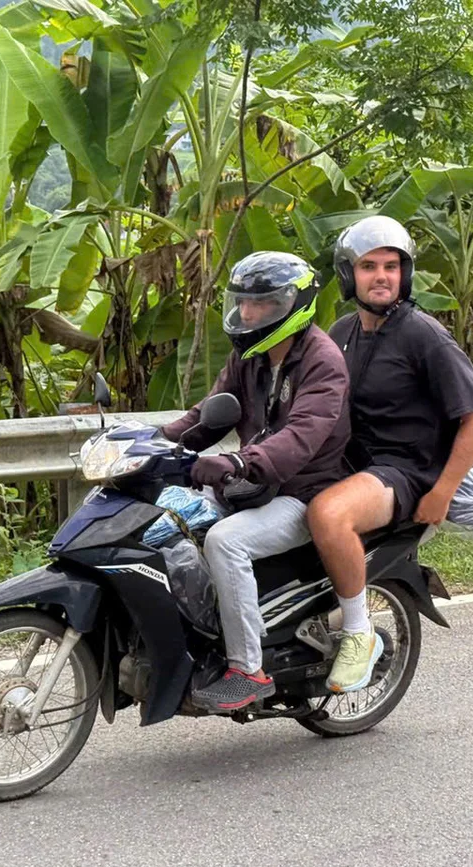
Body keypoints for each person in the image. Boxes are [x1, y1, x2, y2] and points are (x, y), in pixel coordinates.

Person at [308, 215, 473, 693]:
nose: (382, 276)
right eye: (369, 266)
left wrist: (442, 492)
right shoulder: (342, 332)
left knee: (329, 516)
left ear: (405, 273)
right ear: (349, 275)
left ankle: (357, 634)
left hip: (407, 471)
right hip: (358, 463)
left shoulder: (424, 335)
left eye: (392, 266)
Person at [160, 251, 352, 711]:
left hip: (303, 493)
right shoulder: (250, 355)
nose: (247, 313)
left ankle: (248, 668)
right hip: (254, 484)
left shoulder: (323, 362)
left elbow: (299, 438)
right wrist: (152, 441)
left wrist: (238, 463)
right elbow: (206, 416)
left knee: (225, 542)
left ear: (293, 304)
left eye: (261, 304)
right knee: (165, 516)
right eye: (243, 302)